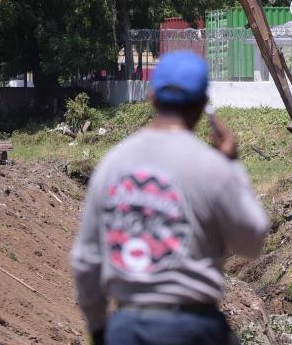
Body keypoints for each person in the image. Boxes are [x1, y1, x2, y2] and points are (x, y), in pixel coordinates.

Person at [71, 51, 269, 344]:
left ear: (152, 98)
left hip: (127, 328)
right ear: (202, 106)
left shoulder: (113, 163)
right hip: (193, 329)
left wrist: (100, 328)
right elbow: (251, 241)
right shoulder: (211, 167)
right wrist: (233, 164)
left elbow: (86, 260)